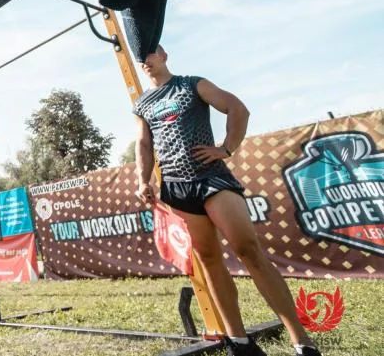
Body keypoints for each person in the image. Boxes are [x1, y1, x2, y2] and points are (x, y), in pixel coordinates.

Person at [132, 45, 321, 356]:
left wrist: (227, 147)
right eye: (141, 60)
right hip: (178, 188)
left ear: (164, 55)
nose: (146, 62)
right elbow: (143, 143)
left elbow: (237, 108)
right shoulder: (141, 104)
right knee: (207, 260)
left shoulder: (192, 84)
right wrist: (143, 180)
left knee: (248, 250)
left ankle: (301, 341)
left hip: (211, 177)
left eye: (151, 54)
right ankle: (240, 342)